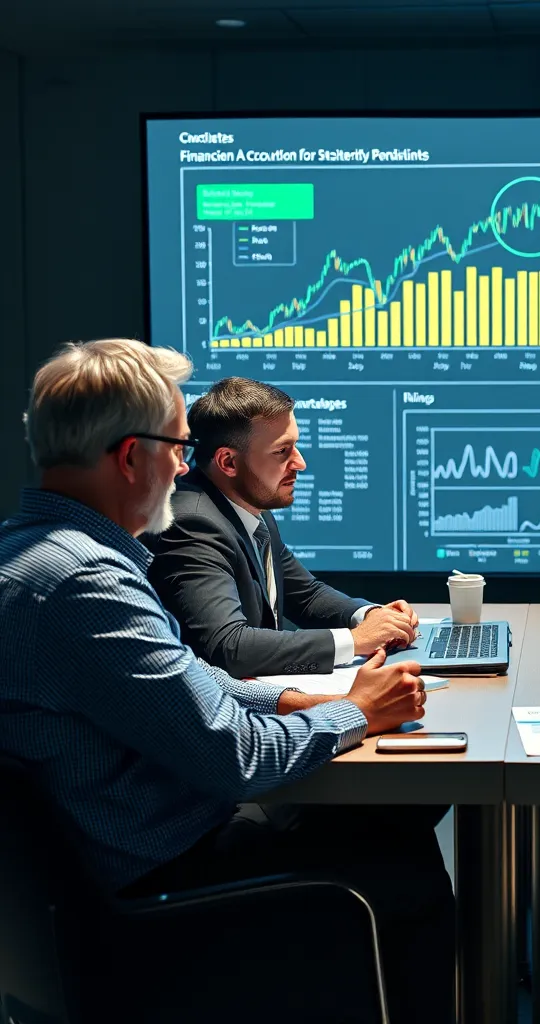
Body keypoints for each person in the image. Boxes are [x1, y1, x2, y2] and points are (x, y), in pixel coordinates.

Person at [0, 340, 454, 1024]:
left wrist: (296, 699)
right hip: (154, 890)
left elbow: (186, 680)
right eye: (179, 447)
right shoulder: (85, 584)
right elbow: (234, 755)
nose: (185, 467)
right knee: (406, 868)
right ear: (132, 456)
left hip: (112, 869)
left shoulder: (37, 555)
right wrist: (354, 714)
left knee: (390, 826)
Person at [146, 377, 419, 680]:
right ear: (228, 462)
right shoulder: (193, 524)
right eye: (282, 451)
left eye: (295, 446)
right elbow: (228, 646)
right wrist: (355, 640)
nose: (300, 463)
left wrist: (371, 616)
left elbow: (306, 595)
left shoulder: (249, 506)